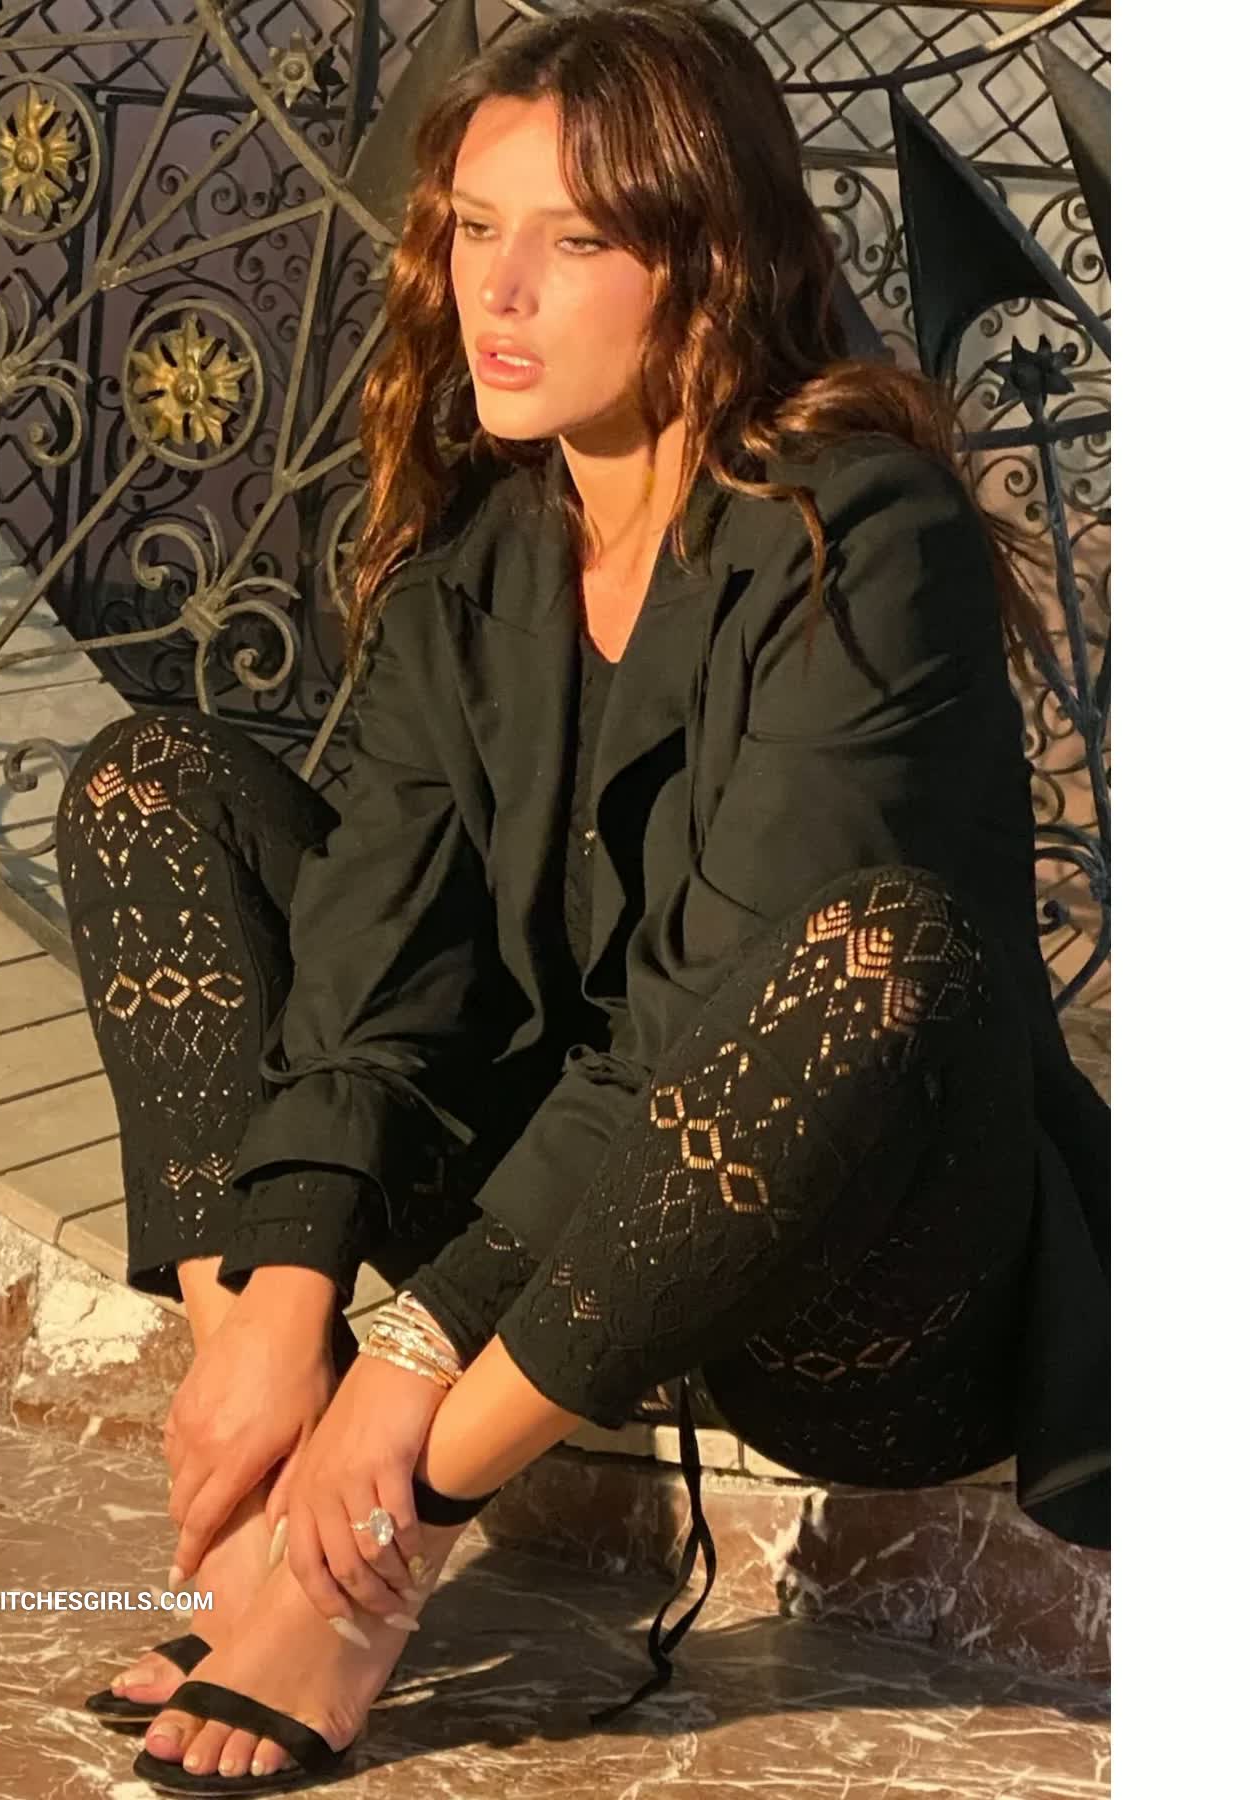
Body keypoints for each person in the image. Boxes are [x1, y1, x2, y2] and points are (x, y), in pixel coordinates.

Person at [55, 3, 1109, 1791]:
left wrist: (411, 1363)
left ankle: (370, 1560)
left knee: (875, 953)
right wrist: (284, 1300)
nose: (499, 289)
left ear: (708, 264)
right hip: (548, 1237)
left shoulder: (870, 535)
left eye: (574, 240)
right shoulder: (480, 551)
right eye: (477, 228)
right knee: (151, 783)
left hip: (846, 1291)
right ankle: (268, 1504)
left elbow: (710, 1016)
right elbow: (373, 960)